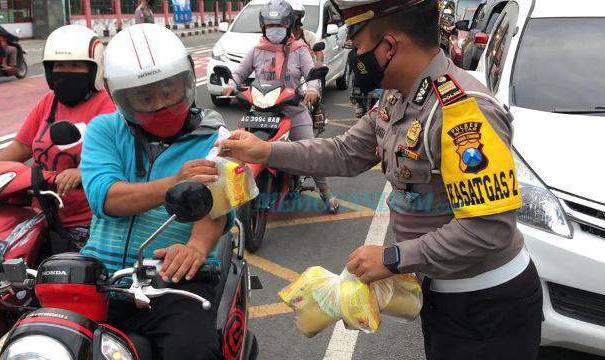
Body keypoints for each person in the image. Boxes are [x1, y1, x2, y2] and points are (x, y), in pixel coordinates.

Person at [219, 0, 543, 359]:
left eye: (358, 48)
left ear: (389, 47)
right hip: (442, 294)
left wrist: (392, 257)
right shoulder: (396, 94)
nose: (353, 56)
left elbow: (489, 229)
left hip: (488, 306)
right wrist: (266, 153)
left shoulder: (463, 111)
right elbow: (345, 152)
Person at [80, 24, 232, 360]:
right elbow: (105, 197)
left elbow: (217, 204)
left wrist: (195, 247)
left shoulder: (214, 136)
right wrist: (173, 182)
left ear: (186, 81)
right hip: (99, 273)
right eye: (145, 98)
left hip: (172, 278)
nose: (161, 104)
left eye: (168, 90)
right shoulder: (103, 130)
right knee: (42, 337)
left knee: (191, 351)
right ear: (122, 97)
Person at [0, 24, 115, 250]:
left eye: (75, 65)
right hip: (38, 215)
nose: (65, 73)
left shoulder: (107, 107)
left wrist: (82, 172)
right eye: (59, 66)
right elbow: (21, 147)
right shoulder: (49, 102)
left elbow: (116, 156)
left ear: (94, 69)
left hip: (86, 223)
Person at [221, 0, 339, 212]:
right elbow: (240, 72)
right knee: (237, 147)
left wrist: (313, 89)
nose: (274, 30)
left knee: (311, 152)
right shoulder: (257, 49)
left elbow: (311, 74)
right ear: (263, 27)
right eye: (270, 26)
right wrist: (231, 85)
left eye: (279, 26)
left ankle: (326, 193)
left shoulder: (299, 49)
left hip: (293, 110)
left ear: (288, 26)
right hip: (261, 110)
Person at [288, 0, 324, 66]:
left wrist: (318, 64)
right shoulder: (281, 36)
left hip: (306, 71)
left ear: (301, 17)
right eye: (290, 16)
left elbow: (319, 52)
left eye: (296, 16)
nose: (293, 19)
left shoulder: (309, 36)